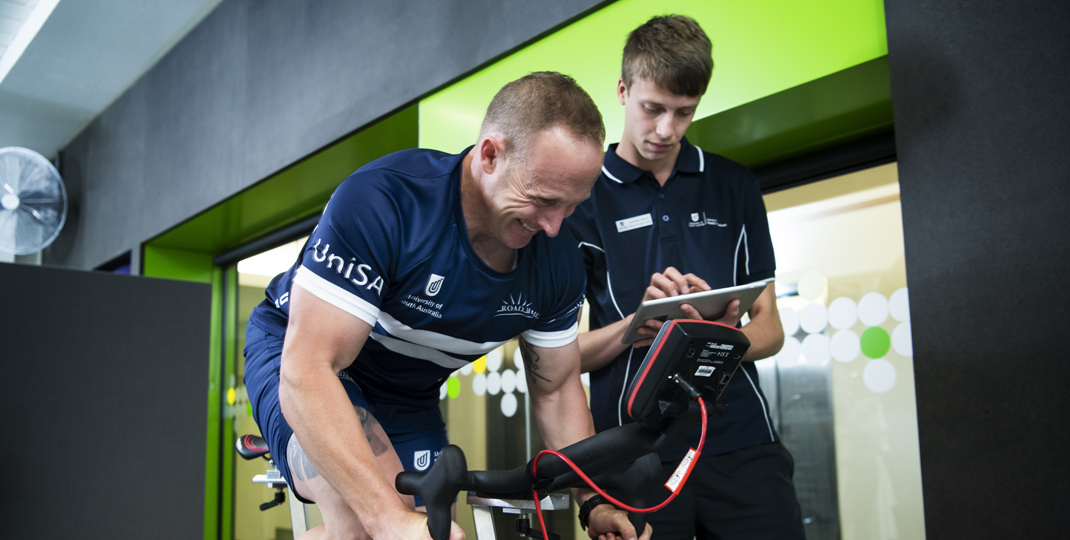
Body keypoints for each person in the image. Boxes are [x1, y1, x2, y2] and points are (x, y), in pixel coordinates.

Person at [244, 72, 649, 540]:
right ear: (490, 155)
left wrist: (592, 501)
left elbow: (557, 390)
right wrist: (390, 520)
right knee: (368, 522)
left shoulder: (556, 265)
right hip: (303, 357)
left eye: (571, 206)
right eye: (542, 200)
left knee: (436, 531)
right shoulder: (386, 202)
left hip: (407, 394)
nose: (554, 226)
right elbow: (309, 368)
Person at [565, 15, 806, 540]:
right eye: (653, 109)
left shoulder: (734, 185)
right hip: (633, 450)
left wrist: (711, 337)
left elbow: (772, 329)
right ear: (624, 91)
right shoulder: (581, 200)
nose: (666, 130)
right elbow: (555, 358)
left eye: (684, 113)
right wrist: (639, 328)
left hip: (740, 439)